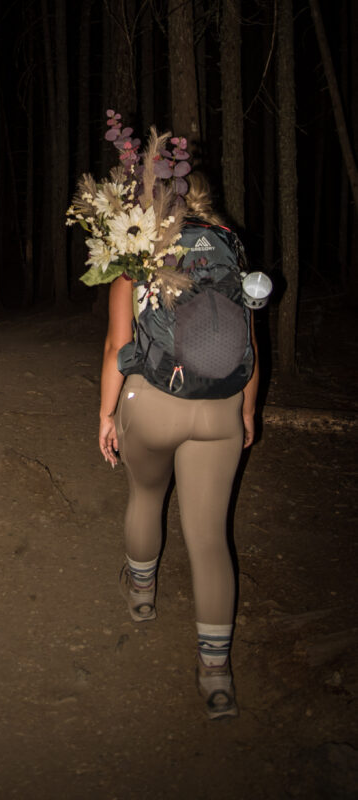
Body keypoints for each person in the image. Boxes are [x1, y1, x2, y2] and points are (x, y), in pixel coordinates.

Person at [98, 171, 259, 720]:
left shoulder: (138, 249)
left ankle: (142, 597)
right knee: (210, 537)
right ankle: (216, 676)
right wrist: (246, 408)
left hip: (152, 401)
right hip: (221, 407)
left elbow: (119, 342)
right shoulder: (230, 249)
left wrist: (106, 413)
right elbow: (248, 341)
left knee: (146, 496)